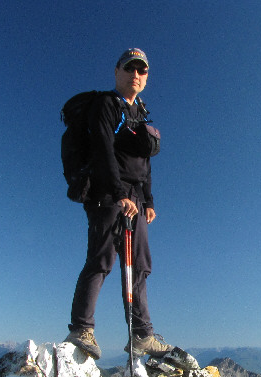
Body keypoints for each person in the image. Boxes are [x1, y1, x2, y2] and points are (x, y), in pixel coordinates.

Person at [65, 48, 173, 360]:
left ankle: (142, 334)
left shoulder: (139, 112)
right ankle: (81, 328)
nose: (135, 75)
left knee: (139, 264)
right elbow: (102, 151)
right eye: (129, 68)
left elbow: (144, 163)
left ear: (146, 77)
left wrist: (148, 200)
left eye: (142, 70)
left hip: (135, 198)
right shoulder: (106, 105)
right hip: (106, 193)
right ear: (117, 72)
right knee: (101, 259)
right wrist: (117, 194)